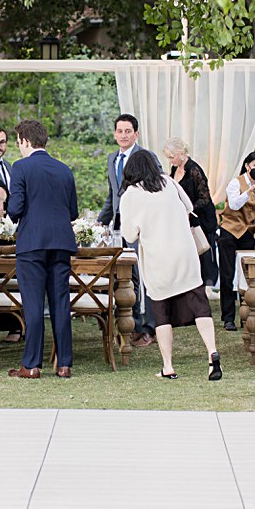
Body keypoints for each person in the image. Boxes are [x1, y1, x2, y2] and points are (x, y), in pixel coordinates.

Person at [119, 150, 221, 381]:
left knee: (162, 313)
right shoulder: (169, 182)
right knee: (199, 305)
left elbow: (130, 235)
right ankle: (212, 352)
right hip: (185, 253)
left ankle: (168, 366)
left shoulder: (131, 195)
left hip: (158, 259)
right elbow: (189, 208)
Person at [6, 119, 79, 378]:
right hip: (61, 242)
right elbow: (73, 211)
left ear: (25, 141)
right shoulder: (64, 169)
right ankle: (64, 364)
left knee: (34, 304)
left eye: (18, 143)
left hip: (32, 244)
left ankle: (32, 365)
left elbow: (15, 209)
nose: (19, 148)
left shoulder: (21, 167)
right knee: (61, 303)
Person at [97, 113, 159, 346]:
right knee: (125, 278)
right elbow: (112, 196)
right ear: (115, 134)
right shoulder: (112, 158)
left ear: (136, 134)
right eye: (119, 131)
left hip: (143, 228)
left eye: (127, 131)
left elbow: (158, 188)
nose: (123, 135)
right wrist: (101, 222)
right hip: (119, 229)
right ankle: (131, 324)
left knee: (144, 277)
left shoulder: (147, 157)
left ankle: (150, 328)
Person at [217, 152, 255, 331]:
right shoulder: (235, 182)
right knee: (227, 275)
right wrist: (249, 191)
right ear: (247, 166)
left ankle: (250, 313)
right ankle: (228, 318)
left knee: (251, 275)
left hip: (247, 232)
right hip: (229, 231)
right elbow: (235, 204)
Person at [163, 137, 219, 287]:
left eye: (171, 157)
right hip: (184, 219)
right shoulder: (175, 169)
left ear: (181, 153)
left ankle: (206, 285)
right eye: (168, 157)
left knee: (203, 253)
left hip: (201, 219)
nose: (170, 161)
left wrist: (188, 209)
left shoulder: (194, 170)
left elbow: (205, 198)